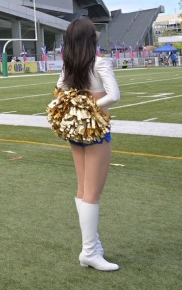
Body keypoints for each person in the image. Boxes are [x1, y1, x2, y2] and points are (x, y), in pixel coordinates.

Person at [56, 18, 120, 271]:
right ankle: (89, 251)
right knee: (92, 193)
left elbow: (59, 92)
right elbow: (114, 95)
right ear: (91, 39)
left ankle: (93, 245)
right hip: (95, 130)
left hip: (76, 130)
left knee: (83, 189)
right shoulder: (100, 63)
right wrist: (91, 107)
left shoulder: (68, 66)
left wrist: (78, 107)